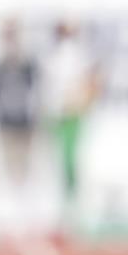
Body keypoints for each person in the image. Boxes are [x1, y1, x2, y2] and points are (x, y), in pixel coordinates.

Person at [0, 19, 40, 235]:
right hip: (6, 123)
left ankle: (26, 213)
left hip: (24, 122)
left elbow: (35, 92)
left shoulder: (28, 64)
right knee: (7, 168)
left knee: (25, 168)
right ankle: (9, 216)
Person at [47, 20, 100, 226]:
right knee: (65, 163)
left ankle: (74, 208)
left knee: (71, 163)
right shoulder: (58, 57)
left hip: (72, 114)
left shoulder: (77, 56)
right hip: (62, 114)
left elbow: (91, 82)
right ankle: (68, 208)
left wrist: (81, 101)